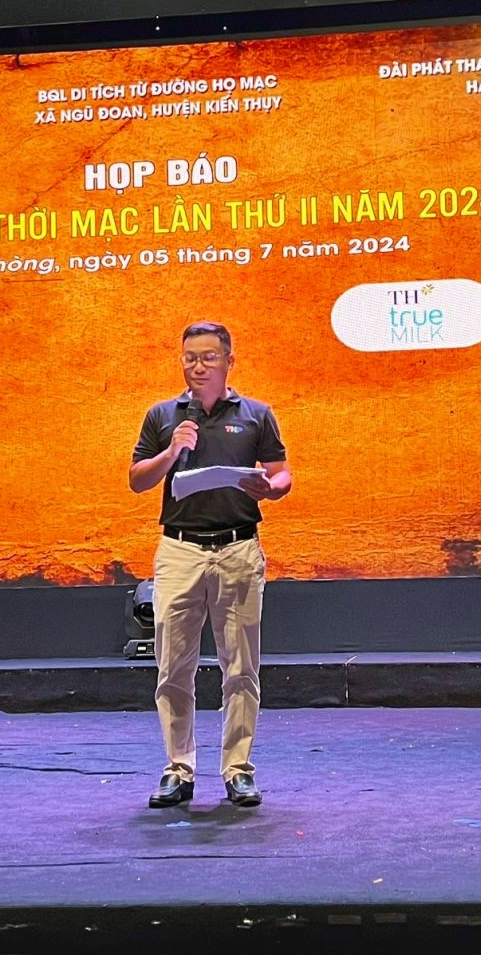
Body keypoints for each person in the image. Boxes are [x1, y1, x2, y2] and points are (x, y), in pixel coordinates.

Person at [128, 321, 291, 808]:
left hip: (238, 549)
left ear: (228, 361)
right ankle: (178, 769)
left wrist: (271, 488)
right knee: (172, 667)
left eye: (208, 357)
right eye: (189, 358)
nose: (197, 366)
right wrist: (172, 450)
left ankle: (238, 769)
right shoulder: (163, 415)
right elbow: (138, 480)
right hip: (179, 551)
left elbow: (281, 473)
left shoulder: (256, 415)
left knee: (241, 667)